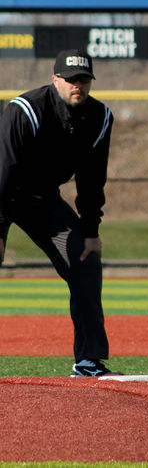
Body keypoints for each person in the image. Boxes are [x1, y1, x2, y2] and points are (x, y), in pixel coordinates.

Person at [0, 48, 118, 377]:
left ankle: (89, 362)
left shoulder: (99, 117)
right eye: (70, 79)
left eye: (83, 79)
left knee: (85, 261)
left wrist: (91, 232)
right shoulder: (26, 110)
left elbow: (93, 180)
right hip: (3, 193)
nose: (77, 85)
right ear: (55, 80)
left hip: (43, 201)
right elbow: (4, 173)